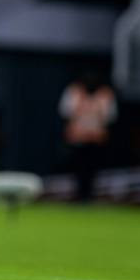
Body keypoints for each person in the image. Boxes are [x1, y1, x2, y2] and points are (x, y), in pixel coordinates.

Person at [59, 71, 116, 202]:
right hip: (78, 138)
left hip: (96, 139)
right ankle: (78, 194)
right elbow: (66, 114)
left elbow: (110, 118)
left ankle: (90, 194)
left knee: (93, 168)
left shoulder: (105, 94)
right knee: (78, 168)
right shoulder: (73, 91)